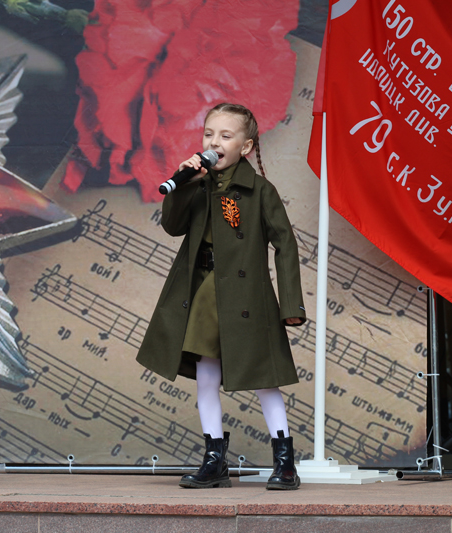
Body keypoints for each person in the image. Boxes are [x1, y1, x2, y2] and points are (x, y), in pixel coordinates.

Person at [136, 103, 306, 490]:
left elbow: (286, 244)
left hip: (248, 296)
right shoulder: (198, 184)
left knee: (264, 380)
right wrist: (184, 183)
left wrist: (290, 304)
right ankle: (214, 460)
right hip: (205, 291)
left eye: (225, 136)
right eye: (209, 134)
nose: (214, 142)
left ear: (246, 147)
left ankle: (285, 463)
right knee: (206, 378)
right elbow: (172, 225)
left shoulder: (260, 191)